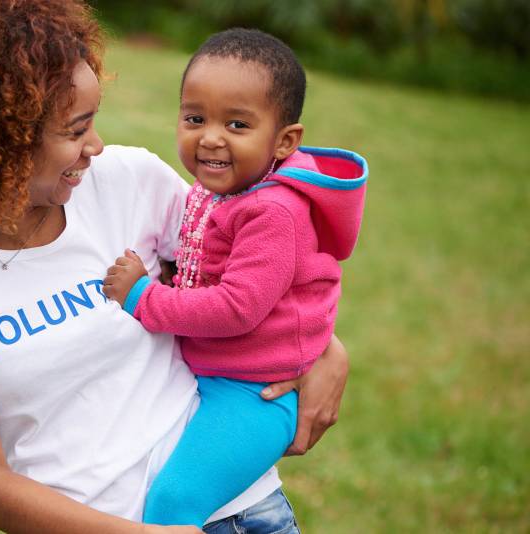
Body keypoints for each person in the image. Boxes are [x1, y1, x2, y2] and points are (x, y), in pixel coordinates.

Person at [0, 2, 350, 533]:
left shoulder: (130, 180)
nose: (95, 146)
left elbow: (258, 278)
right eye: (75, 131)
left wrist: (329, 352)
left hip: (242, 514)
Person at [102, 29, 368, 528]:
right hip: (213, 374)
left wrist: (143, 296)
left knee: (173, 504)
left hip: (253, 393)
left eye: (237, 124)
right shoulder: (222, 191)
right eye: (194, 118)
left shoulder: (274, 212)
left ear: (285, 141)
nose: (210, 137)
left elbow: (235, 308)